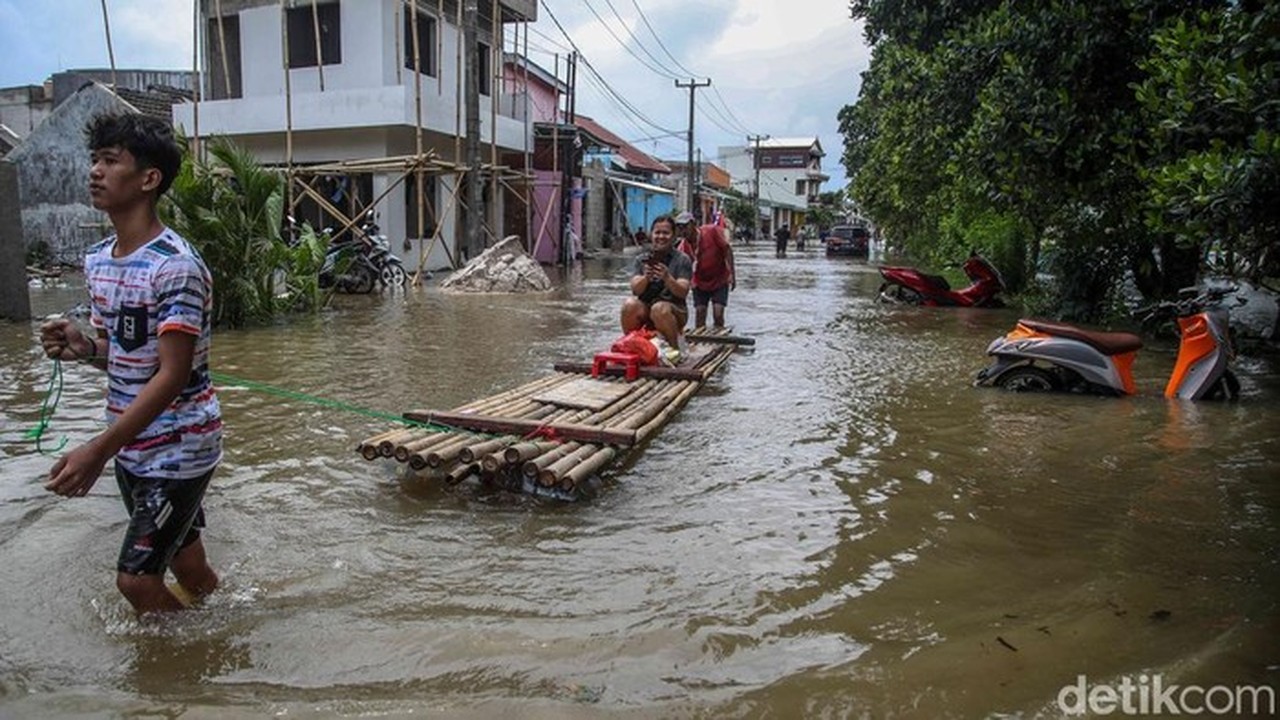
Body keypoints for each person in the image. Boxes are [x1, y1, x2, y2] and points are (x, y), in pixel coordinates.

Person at [39, 112, 222, 616]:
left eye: (110, 161)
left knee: (136, 582)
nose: (95, 171)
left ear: (148, 178)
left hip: (179, 448)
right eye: (95, 160)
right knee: (189, 567)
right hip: (133, 447)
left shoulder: (175, 266)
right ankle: (228, 626)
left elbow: (172, 375)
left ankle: (195, 659)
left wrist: (97, 451)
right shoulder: (99, 260)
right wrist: (83, 348)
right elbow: (124, 355)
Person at [620, 214, 692, 354]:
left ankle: (675, 350)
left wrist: (667, 278)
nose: (661, 237)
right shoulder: (642, 259)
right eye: (657, 233)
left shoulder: (683, 259)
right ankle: (632, 346)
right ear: (651, 235)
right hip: (647, 308)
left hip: (674, 310)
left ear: (673, 236)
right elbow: (635, 289)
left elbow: (683, 291)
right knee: (629, 305)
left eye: (666, 233)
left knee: (659, 309)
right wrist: (646, 278)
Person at [688, 223, 737, 329]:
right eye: (679, 228)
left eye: (685, 227)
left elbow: (727, 249)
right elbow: (684, 267)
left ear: (692, 225)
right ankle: (699, 336)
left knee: (718, 314)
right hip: (699, 281)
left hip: (720, 279)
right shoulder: (684, 246)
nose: (683, 231)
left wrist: (732, 274)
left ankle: (719, 333)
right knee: (700, 313)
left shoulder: (711, 231)